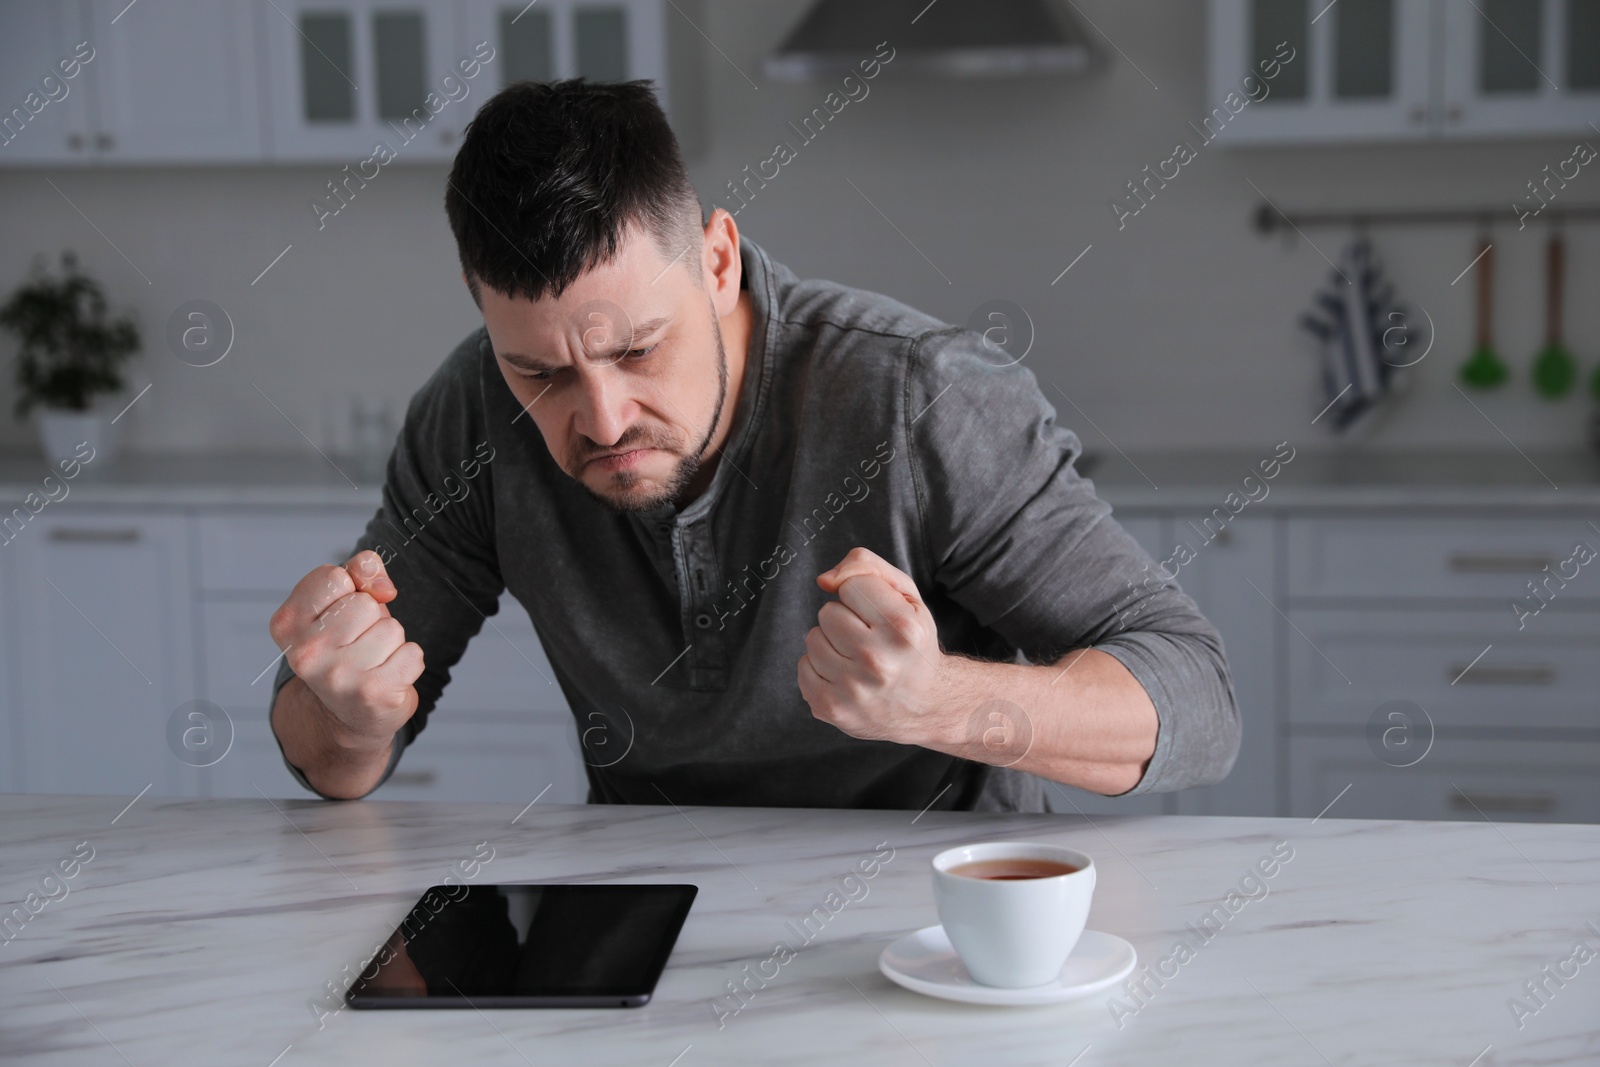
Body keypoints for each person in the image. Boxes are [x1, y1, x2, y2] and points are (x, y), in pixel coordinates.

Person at [267, 78, 1239, 812]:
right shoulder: (471, 415)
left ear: (719, 259)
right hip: (648, 921)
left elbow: (1196, 698)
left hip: (931, 917)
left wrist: (931, 698)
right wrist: (347, 716)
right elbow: (330, 757)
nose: (602, 420)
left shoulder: (922, 397)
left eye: (639, 348)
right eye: (543, 374)